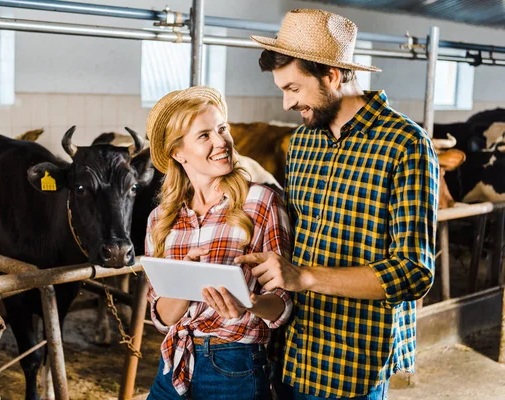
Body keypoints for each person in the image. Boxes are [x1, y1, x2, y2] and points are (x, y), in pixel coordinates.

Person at [237, 9, 440, 400]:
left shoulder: (405, 145)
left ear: (331, 76)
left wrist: (305, 277)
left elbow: (414, 273)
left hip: (349, 360)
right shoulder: (301, 143)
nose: (285, 104)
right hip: (289, 347)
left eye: (294, 89)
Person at [143, 86, 293, 400]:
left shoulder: (260, 202)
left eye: (222, 129)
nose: (221, 141)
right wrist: (183, 283)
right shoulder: (160, 219)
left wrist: (248, 303)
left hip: (234, 366)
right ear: (177, 152)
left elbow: (281, 304)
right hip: (173, 363)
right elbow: (163, 317)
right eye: (204, 135)